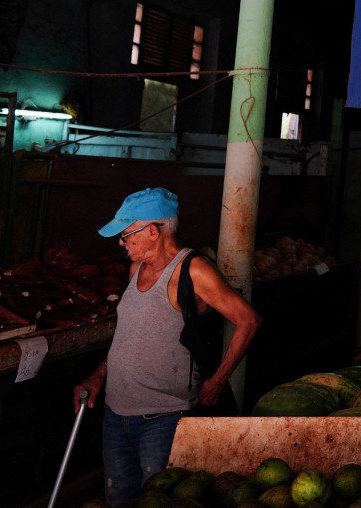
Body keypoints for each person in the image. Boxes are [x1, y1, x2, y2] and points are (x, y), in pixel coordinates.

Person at [72, 188, 261, 507]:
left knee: (158, 500)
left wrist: (216, 382)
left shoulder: (194, 270)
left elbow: (248, 320)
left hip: (164, 418)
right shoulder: (135, 270)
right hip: (116, 415)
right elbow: (129, 337)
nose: (121, 242)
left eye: (126, 234)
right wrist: (98, 376)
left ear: (152, 230)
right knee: (119, 499)